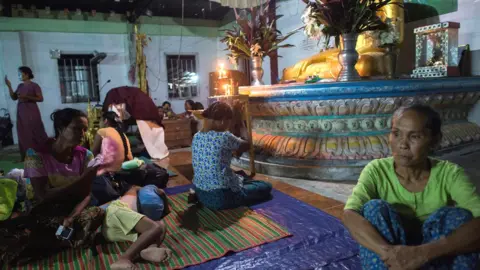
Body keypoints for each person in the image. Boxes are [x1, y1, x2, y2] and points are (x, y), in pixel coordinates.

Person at [343, 104, 480, 270]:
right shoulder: (376, 170)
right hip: (392, 260)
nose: (402, 144)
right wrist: (393, 254)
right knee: (374, 209)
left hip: (433, 256)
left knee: (458, 217)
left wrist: (421, 254)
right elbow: (350, 214)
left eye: (414, 136)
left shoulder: (449, 173)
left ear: (434, 141)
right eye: (396, 134)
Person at [0, 108, 105, 265]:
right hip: (42, 210)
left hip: (70, 209)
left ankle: (57, 239)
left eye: (84, 129)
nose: (82, 134)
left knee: (96, 213)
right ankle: (60, 239)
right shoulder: (35, 154)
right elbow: (42, 195)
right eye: (77, 129)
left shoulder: (85, 155)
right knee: (40, 227)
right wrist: (82, 180)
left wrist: (71, 217)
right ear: (61, 128)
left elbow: (87, 194)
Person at [191, 101, 272, 210]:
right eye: (229, 122)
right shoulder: (224, 136)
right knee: (265, 186)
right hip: (221, 197)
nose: (229, 126)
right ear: (223, 120)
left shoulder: (197, 136)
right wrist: (242, 124)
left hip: (201, 193)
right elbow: (247, 144)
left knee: (240, 175)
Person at [102, 186, 171, 270]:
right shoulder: (127, 201)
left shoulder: (133, 199)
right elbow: (134, 187)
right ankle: (124, 259)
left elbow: (164, 214)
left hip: (114, 230)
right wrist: (153, 191)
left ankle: (150, 249)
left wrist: (162, 195)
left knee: (161, 225)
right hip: (115, 216)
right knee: (155, 227)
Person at [4, 67, 48, 161]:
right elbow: (14, 98)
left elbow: (40, 99)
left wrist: (27, 97)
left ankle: (39, 155)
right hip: (21, 111)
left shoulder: (34, 85)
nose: (19, 76)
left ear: (27, 74)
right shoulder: (20, 86)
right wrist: (9, 86)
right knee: (22, 132)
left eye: (20, 74)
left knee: (34, 131)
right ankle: (25, 157)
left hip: (31, 111)